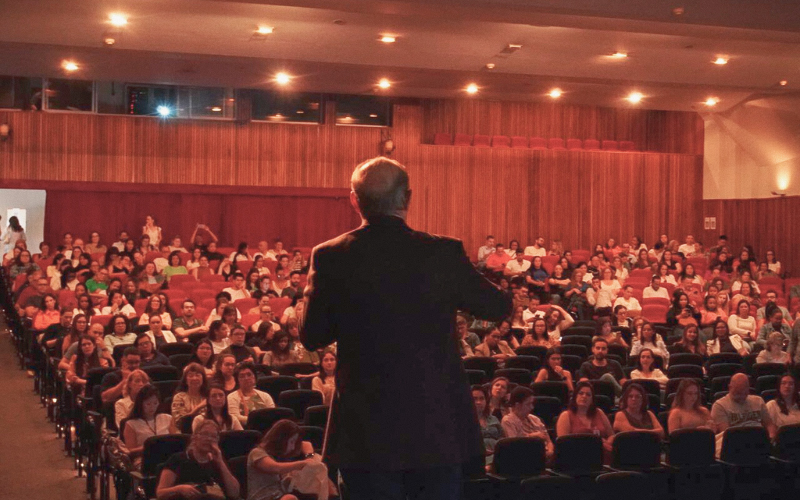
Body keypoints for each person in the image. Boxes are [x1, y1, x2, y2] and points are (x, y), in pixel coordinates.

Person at [300, 157, 510, 498]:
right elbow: (498, 306)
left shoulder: (331, 256)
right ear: (407, 198)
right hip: (436, 427)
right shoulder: (443, 252)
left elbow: (312, 335)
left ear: (355, 199)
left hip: (366, 431)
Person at [247, 419, 333, 500]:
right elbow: (276, 468)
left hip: (280, 495)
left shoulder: (279, 455)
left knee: (323, 478)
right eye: (291, 442)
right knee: (290, 498)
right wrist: (303, 463)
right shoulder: (257, 452)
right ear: (281, 440)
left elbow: (306, 444)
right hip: (262, 497)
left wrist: (310, 457)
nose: (292, 447)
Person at [155, 419, 240, 500]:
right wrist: (179, 489)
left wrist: (220, 462)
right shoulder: (178, 459)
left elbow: (234, 494)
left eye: (213, 436)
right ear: (195, 436)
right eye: (205, 434)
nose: (209, 439)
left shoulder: (217, 461)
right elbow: (160, 493)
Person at [710, 373, 776, 457]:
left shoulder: (758, 401)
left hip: (760, 442)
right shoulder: (720, 405)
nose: (741, 396)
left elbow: (769, 424)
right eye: (737, 393)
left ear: (748, 389)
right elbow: (727, 435)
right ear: (730, 387)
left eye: (744, 393)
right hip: (736, 446)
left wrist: (771, 438)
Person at [555, 381, 614, 455]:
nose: (584, 396)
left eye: (588, 394)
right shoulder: (565, 416)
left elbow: (611, 435)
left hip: (603, 454)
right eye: (581, 393)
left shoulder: (599, 412)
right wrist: (597, 443)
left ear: (592, 399)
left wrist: (607, 442)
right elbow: (563, 445)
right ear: (575, 396)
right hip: (577, 456)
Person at [123, 385, 175, 461]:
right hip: (144, 459)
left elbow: (175, 440)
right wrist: (149, 447)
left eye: (155, 403)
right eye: (148, 404)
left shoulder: (167, 418)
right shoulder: (131, 424)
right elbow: (130, 452)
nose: (152, 407)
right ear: (140, 404)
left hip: (166, 456)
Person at [500, 387, 554, 459]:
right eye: (528, 404)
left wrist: (550, 451)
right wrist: (532, 436)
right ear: (517, 405)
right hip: (525, 458)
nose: (532, 407)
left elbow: (549, 441)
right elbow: (514, 446)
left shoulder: (535, 419)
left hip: (545, 456)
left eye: (532, 403)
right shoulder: (508, 421)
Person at [227, 361, 275, 426]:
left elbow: (273, 414)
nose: (246, 378)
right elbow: (235, 418)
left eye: (249, 375)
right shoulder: (232, 397)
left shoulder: (265, 396)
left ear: (254, 377)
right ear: (237, 380)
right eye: (242, 376)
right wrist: (260, 420)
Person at [471, 385, 503, 469]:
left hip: (497, 453)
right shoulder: (464, 421)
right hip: (478, 456)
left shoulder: (493, 419)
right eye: (475, 399)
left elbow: (502, 438)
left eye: (482, 398)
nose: (479, 402)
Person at [171, 363, 209, 430]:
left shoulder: (209, 396)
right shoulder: (179, 397)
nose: (194, 378)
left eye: (198, 375)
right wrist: (199, 407)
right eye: (190, 376)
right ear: (185, 380)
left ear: (203, 378)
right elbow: (180, 423)